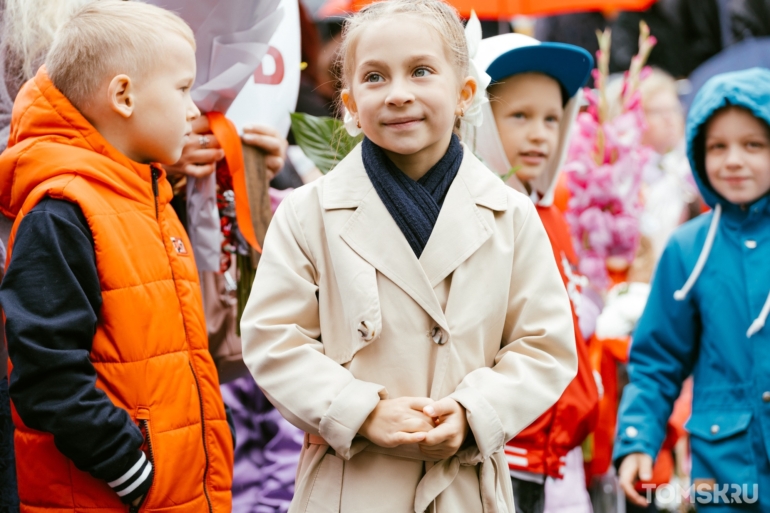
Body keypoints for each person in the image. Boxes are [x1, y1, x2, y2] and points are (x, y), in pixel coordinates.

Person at [239, 0, 579, 511]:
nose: (399, 94)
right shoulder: (308, 213)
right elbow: (274, 339)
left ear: (465, 93)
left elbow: (544, 345)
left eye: (421, 71)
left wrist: (473, 414)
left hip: (467, 485)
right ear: (350, 103)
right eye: (374, 77)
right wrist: (360, 412)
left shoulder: (512, 215)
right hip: (350, 484)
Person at [0, 1, 233, 510]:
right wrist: (132, 468)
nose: (194, 110)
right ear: (123, 96)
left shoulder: (149, 198)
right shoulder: (62, 211)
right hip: (111, 494)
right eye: (182, 89)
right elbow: (48, 373)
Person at [615, 67, 770, 510]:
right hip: (727, 472)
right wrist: (638, 439)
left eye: (753, 145)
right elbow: (657, 359)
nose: (733, 160)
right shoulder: (688, 247)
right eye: (717, 146)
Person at [471, 33, 600, 513]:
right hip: (499, 455)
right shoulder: (476, 217)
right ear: (477, 114)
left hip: (555, 457)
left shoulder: (552, 218)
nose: (541, 134)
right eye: (519, 115)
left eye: (552, 117)